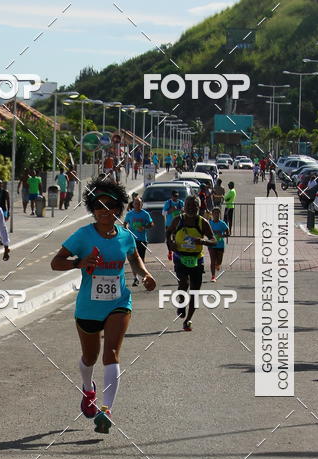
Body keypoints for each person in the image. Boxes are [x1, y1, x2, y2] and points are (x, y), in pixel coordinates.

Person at [50, 176, 156, 434]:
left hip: (119, 302)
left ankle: (106, 410)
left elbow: (134, 259)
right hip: (88, 307)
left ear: (119, 209)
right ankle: (88, 389)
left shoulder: (126, 236)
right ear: (92, 209)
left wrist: (144, 275)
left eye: (110, 205)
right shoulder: (83, 235)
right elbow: (56, 262)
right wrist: (80, 262)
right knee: (90, 357)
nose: (104, 210)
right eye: (98, 205)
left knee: (111, 354)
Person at [166, 195, 216, 331]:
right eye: (188, 205)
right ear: (184, 207)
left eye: (194, 205)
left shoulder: (202, 222)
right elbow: (168, 232)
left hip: (196, 259)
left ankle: (188, 320)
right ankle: (181, 304)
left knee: (195, 291)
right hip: (180, 257)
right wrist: (170, 244)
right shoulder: (178, 220)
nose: (190, 208)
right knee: (183, 283)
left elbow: (214, 240)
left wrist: (202, 241)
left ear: (198, 207)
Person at [124, 196, 153, 285]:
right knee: (132, 259)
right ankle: (135, 278)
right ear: (133, 204)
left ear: (141, 204)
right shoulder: (129, 214)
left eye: (139, 203)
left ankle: (143, 276)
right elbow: (125, 224)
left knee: (141, 259)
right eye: (136, 203)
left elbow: (151, 224)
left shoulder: (145, 214)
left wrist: (144, 227)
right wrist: (127, 230)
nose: (137, 205)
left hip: (142, 239)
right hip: (132, 240)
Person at [208, 207, 229, 281]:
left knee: (219, 261)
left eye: (218, 213)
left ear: (220, 214)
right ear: (212, 214)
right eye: (215, 213)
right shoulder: (209, 223)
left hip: (220, 245)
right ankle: (213, 276)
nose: (216, 215)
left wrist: (222, 235)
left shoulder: (222, 223)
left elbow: (228, 233)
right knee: (212, 260)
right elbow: (205, 232)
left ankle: (218, 264)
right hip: (211, 244)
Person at [163, 190, 184, 261]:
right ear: (171, 196)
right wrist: (170, 210)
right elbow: (163, 213)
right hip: (169, 224)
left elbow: (185, 211)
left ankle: (176, 253)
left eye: (177, 196)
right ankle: (170, 251)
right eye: (174, 196)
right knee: (168, 239)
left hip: (178, 224)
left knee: (177, 239)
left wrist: (182, 210)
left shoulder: (181, 203)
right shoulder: (168, 203)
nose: (176, 197)